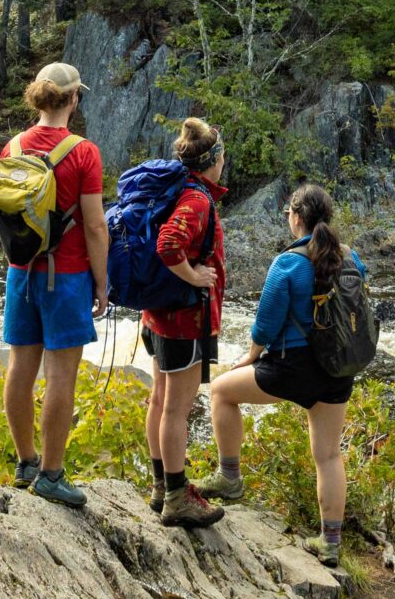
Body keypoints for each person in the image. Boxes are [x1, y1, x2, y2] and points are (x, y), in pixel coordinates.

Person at [195, 183, 366, 567]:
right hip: (338, 369)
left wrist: (249, 358)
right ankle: (330, 543)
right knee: (329, 455)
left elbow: (266, 326)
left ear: (297, 218)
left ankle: (230, 477)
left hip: (293, 368)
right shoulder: (351, 258)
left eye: (289, 213)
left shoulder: (287, 264)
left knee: (221, 391)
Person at [0, 62, 107, 508]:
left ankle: (25, 462)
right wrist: (102, 283)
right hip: (66, 277)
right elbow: (95, 226)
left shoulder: (13, 146)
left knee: (19, 369)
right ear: (73, 98)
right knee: (61, 376)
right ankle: (51, 474)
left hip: (20, 273)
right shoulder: (83, 153)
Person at [142, 118, 228, 528]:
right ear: (213, 160)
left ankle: (161, 485)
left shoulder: (178, 189)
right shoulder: (197, 200)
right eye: (222, 157)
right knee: (176, 409)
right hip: (184, 321)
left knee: (160, 400)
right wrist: (194, 276)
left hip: (159, 314)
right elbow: (168, 244)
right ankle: (177, 497)